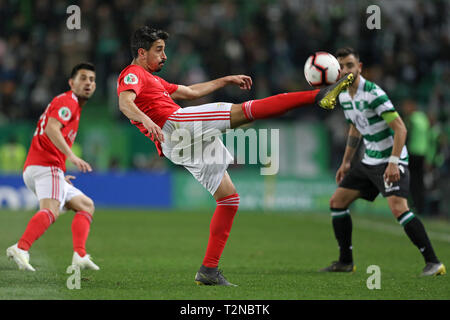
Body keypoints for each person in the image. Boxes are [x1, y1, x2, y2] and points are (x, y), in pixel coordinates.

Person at [117, 26, 354, 286]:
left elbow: (190, 92)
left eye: (164, 50)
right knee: (244, 112)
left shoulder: (154, 80)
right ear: (141, 52)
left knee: (229, 199)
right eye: (158, 50)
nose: (164, 56)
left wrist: (226, 79)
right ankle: (317, 96)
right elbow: (125, 103)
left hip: (177, 144)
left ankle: (208, 270)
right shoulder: (133, 73)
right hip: (175, 125)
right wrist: (145, 120)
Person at [320, 47, 446, 276]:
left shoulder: (373, 94)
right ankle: (345, 261)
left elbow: (400, 128)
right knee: (337, 202)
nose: (346, 70)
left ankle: (434, 262)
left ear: (359, 67)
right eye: (342, 67)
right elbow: (356, 127)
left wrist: (394, 161)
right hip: (369, 160)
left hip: (390, 159)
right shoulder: (344, 95)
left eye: (350, 65)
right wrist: (346, 162)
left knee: (399, 208)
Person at [6, 63, 99, 272]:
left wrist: (60, 176)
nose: (88, 83)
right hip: (46, 166)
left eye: (92, 80)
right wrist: (72, 156)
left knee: (85, 205)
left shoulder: (71, 104)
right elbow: (51, 128)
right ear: (71, 82)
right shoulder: (68, 101)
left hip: (43, 168)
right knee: (50, 211)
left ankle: (80, 255)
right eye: (83, 78)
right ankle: (21, 248)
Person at [401, 99, 430, 215]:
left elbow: (405, 134)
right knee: (419, 182)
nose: (405, 109)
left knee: (410, 180)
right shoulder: (424, 118)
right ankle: (420, 208)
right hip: (423, 154)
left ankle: (410, 206)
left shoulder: (411, 119)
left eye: (406, 106)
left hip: (413, 153)